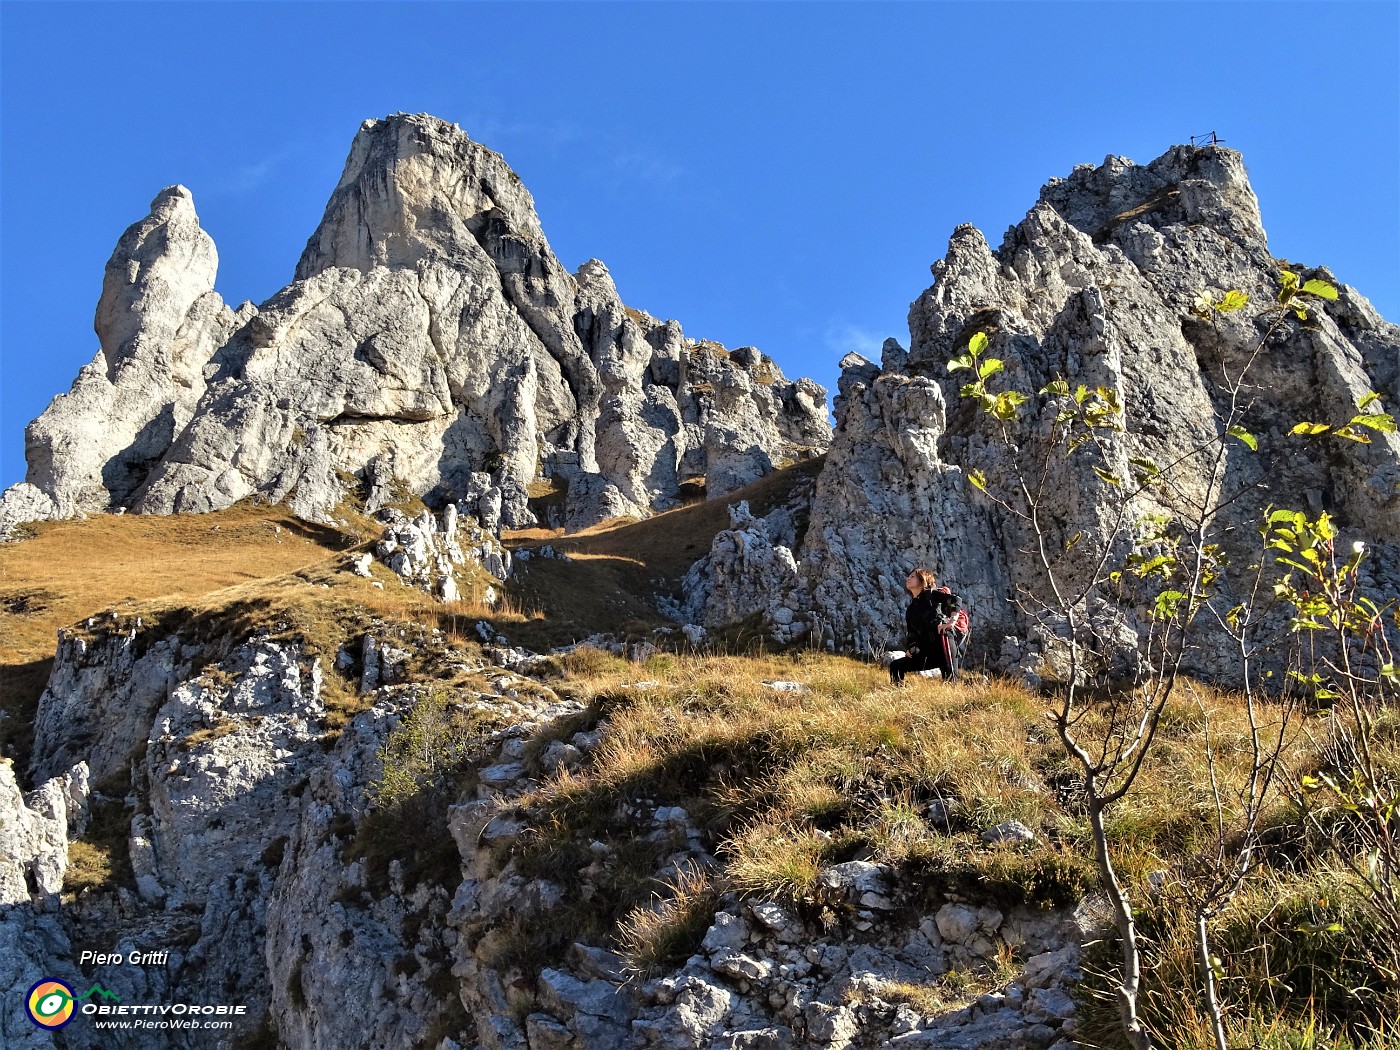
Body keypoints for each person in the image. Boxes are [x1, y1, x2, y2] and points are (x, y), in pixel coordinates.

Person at [889, 567, 961, 684]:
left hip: (942, 642)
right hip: (926, 649)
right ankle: (899, 696)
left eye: (913, 576)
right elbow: (912, 634)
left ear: (922, 580)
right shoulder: (911, 609)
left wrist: (952, 621)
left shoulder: (931, 595)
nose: (908, 578)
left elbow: (955, 600)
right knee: (896, 666)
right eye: (909, 576)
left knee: (951, 682)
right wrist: (910, 649)